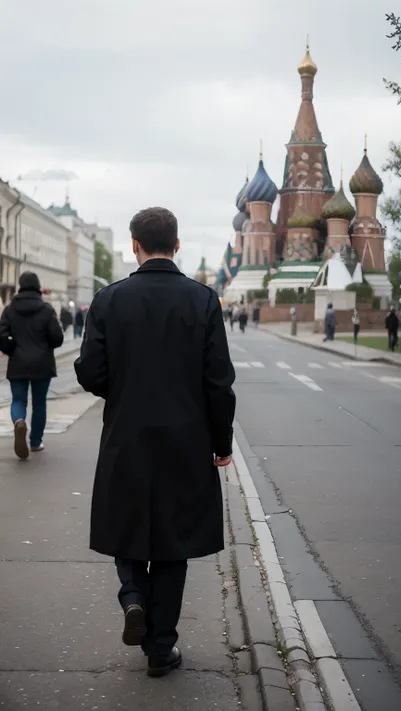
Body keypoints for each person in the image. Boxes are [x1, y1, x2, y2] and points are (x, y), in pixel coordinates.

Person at [74, 207, 235, 678]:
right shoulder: (204, 301)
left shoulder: (109, 300)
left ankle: (132, 597)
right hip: (185, 441)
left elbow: (89, 371)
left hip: (127, 433)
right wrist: (220, 442)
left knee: (125, 525)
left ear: (134, 246)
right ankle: (161, 650)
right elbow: (218, 382)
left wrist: (122, 391)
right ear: (178, 245)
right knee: (173, 542)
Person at [0, 272, 64, 459]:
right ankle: (35, 442)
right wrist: (45, 348)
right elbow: (57, 338)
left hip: (18, 362)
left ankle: (19, 421)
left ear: (20, 286)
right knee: (39, 403)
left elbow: (2, 336)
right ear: (38, 286)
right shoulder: (46, 309)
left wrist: (13, 349)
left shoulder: (10, 309)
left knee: (18, 400)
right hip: (42, 364)